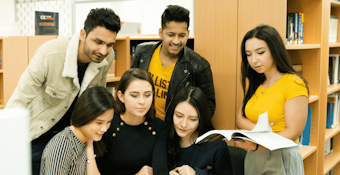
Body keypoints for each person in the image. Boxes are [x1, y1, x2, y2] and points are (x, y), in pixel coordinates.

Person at [5, 8, 121, 175]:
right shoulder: (50, 53)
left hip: (73, 137)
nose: (103, 51)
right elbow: (19, 100)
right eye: (98, 42)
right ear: (83, 34)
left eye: (110, 45)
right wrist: (8, 145)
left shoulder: (107, 58)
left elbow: (97, 99)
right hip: (39, 134)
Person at [236, 24, 309, 175]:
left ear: (275, 51)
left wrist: (259, 143)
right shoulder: (254, 82)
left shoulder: (293, 83)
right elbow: (240, 118)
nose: (253, 60)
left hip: (281, 154)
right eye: (248, 54)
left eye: (260, 52)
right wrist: (260, 131)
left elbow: (293, 131)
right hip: (254, 154)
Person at [131, 5, 215, 120]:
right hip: (142, 123)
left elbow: (208, 108)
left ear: (188, 33)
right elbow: (130, 86)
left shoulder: (199, 66)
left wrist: (184, 128)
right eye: (171, 35)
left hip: (174, 131)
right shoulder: (142, 52)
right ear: (161, 33)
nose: (176, 41)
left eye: (182, 35)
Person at [96, 68, 168, 175]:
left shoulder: (159, 127)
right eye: (134, 95)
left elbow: (160, 170)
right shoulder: (107, 123)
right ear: (121, 96)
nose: (142, 102)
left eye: (147, 95)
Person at [40, 86, 118, 175]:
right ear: (84, 116)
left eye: (108, 122)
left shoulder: (88, 139)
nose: (104, 129)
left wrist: (90, 146)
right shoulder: (62, 144)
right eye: (99, 123)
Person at [166, 86, 234, 175]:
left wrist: (197, 173)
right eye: (179, 116)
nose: (183, 124)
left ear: (201, 119)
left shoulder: (216, 146)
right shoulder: (162, 139)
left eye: (192, 119)